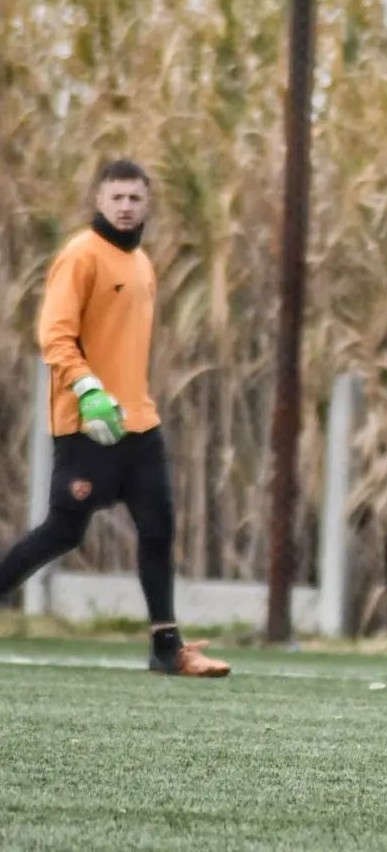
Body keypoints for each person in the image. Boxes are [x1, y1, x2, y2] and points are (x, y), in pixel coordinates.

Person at [0, 159, 230, 678]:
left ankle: (167, 647)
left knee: (159, 527)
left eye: (135, 198)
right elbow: (55, 336)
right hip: (87, 426)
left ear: (147, 205)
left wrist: (128, 399)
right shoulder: (81, 255)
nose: (126, 207)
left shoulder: (142, 263)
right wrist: (87, 390)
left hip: (139, 424)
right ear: (99, 201)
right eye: (117, 197)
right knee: (63, 531)